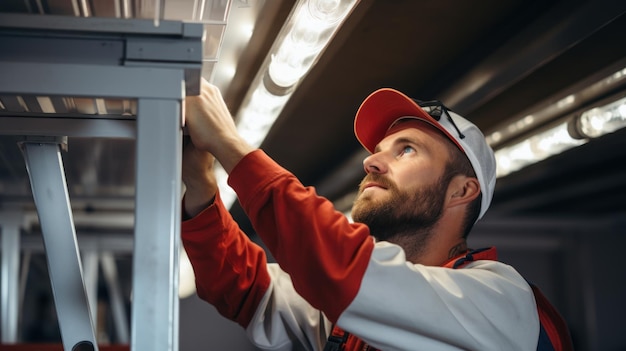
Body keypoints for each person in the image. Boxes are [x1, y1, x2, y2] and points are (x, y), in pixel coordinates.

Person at [181, 79, 573, 350]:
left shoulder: (499, 299)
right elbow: (248, 288)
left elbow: (344, 269)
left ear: (462, 191)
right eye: (380, 149)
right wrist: (201, 188)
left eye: (406, 150)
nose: (371, 161)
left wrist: (228, 145)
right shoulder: (356, 307)